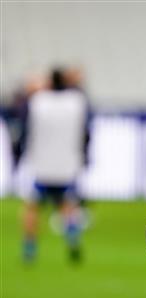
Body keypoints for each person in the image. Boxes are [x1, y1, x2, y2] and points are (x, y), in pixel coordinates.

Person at [21, 68, 89, 262]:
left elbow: (26, 124)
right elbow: (85, 130)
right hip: (67, 165)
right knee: (68, 207)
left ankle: (29, 248)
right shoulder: (76, 101)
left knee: (32, 208)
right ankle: (73, 242)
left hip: (42, 165)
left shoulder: (38, 101)